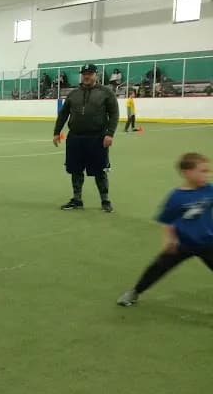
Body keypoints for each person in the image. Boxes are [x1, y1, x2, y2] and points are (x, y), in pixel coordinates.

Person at [117, 153, 213, 306]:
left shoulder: (209, 189)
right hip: (182, 243)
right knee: (158, 268)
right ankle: (134, 292)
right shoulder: (176, 197)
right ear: (187, 173)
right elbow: (167, 221)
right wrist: (169, 239)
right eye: (203, 171)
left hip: (208, 242)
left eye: (208, 171)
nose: (207, 174)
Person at [53, 63, 119, 213]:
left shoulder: (106, 93)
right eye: (84, 73)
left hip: (97, 138)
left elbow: (114, 113)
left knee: (100, 171)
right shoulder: (73, 94)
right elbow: (63, 114)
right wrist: (57, 132)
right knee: (75, 170)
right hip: (75, 138)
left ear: (96, 75)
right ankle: (77, 200)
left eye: (89, 73)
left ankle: (105, 201)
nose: (86, 76)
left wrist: (110, 133)